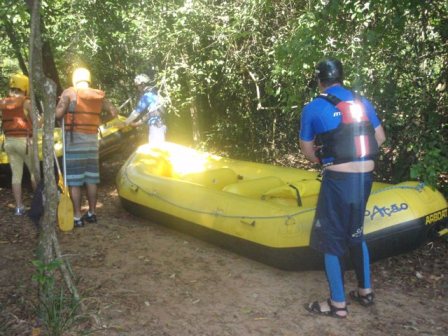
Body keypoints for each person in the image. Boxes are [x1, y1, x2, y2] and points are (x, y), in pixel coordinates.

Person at [300, 58, 386, 318]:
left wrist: (322, 161)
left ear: (319, 81)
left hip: (338, 182)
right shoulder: (362, 102)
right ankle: (365, 292)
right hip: (365, 180)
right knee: (356, 233)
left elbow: (307, 150)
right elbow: (379, 138)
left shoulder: (314, 107)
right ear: (341, 78)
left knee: (331, 240)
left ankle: (337, 304)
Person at [55, 67, 118, 227]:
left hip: (75, 141)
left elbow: (58, 114)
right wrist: (99, 121)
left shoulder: (69, 92)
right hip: (92, 141)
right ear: (88, 79)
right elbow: (113, 112)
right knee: (91, 179)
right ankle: (92, 213)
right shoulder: (98, 96)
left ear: (75, 79)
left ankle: (77, 216)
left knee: (75, 181)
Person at [0, 73, 37, 215]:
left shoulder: (3, 102)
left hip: (9, 143)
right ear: (25, 88)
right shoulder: (26, 102)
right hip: (24, 142)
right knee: (34, 173)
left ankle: (19, 207)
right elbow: (35, 123)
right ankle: (38, 202)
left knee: (16, 175)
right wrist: (43, 119)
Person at [124, 73, 166, 144]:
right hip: (161, 125)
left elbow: (136, 112)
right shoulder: (155, 93)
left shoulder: (147, 96)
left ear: (142, 84)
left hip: (156, 126)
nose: (138, 88)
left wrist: (125, 123)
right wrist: (136, 123)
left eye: (138, 86)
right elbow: (150, 114)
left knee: (155, 149)